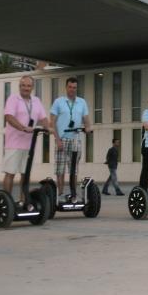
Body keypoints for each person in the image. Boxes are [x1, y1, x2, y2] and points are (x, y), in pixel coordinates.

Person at [3, 75, 50, 205]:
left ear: (32, 87)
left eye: (28, 86)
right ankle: (7, 202)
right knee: (10, 173)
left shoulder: (36, 101)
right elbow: (9, 117)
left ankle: (23, 201)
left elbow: (43, 117)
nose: (26, 88)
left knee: (25, 174)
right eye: (23, 85)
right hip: (14, 143)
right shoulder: (13, 99)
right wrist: (23, 128)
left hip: (29, 144)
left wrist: (48, 128)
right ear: (19, 86)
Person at [49, 76, 91, 204]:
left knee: (74, 168)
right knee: (60, 169)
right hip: (62, 139)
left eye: (74, 87)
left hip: (76, 139)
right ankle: (60, 194)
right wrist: (57, 139)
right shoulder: (58, 102)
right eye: (70, 87)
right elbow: (52, 122)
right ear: (66, 87)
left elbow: (86, 119)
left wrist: (88, 127)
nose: (72, 89)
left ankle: (73, 194)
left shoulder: (82, 102)